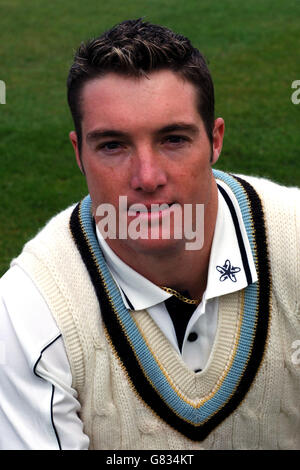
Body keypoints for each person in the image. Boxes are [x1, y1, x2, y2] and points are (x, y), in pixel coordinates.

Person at [0, 18, 299, 451]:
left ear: (215, 140)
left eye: (173, 139)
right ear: (78, 154)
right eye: (112, 145)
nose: (147, 177)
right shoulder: (28, 310)